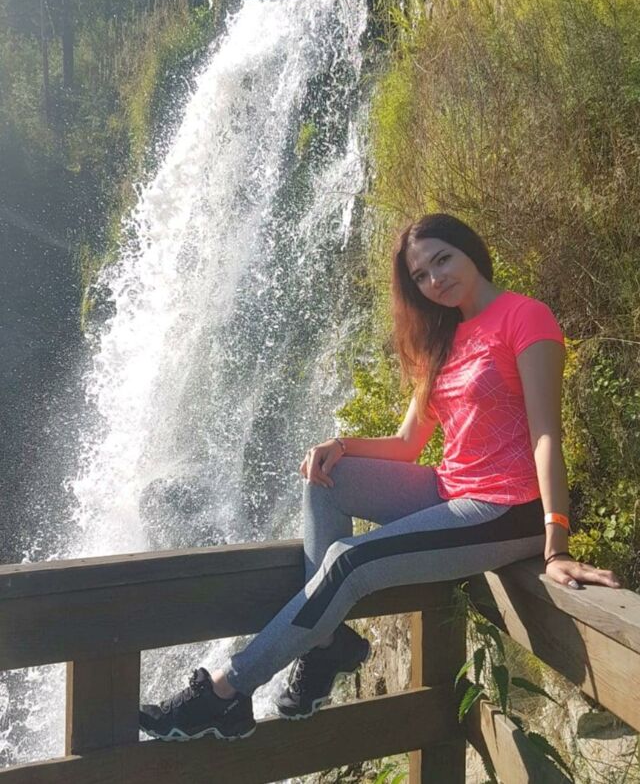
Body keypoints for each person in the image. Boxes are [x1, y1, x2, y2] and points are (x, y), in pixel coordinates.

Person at [139, 213, 621, 743]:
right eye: (421, 275)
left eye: (442, 259)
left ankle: (227, 690)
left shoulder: (525, 317)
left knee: (350, 560)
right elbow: (407, 443)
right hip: (450, 490)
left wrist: (556, 546)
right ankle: (325, 645)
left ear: (470, 250)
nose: (435, 279)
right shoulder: (443, 339)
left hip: (507, 507)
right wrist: (340, 446)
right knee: (327, 475)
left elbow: (546, 435)